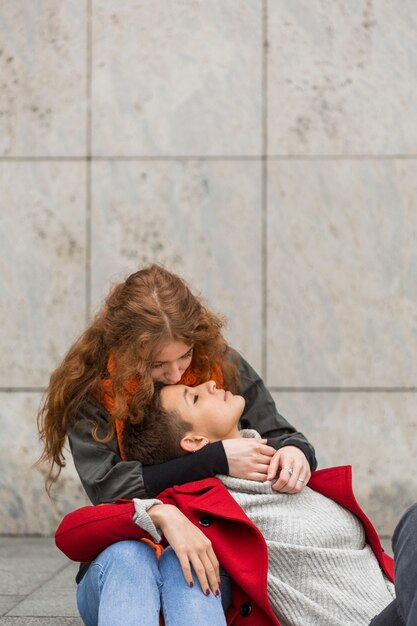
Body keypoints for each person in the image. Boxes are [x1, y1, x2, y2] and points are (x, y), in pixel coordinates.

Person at [37, 264, 317, 626]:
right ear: (124, 352)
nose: (175, 374)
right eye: (157, 364)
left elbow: (281, 435)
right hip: (127, 554)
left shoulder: (222, 367)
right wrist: (214, 460)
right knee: (128, 555)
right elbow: (110, 489)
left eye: (184, 356)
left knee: (185, 565)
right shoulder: (92, 396)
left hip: (209, 559)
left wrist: (297, 452)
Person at [55, 380, 417, 626]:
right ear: (194, 441)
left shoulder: (286, 466)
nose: (211, 384)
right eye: (195, 397)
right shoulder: (199, 501)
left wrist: (295, 448)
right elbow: (71, 534)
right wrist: (158, 512)